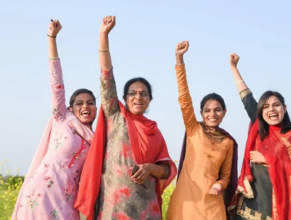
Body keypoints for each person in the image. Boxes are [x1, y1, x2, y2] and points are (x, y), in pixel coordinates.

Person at [74, 16, 177, 220]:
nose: (138, 96)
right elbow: (106, 77)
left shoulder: (154, 131)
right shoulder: (115, 116)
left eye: (143, 93)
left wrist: (150, 168)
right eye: (133, 93)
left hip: (147, 208)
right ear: (124, 98)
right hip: (114, 206)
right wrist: (103, 36)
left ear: (149, 100)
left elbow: (165, 170)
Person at [12, 20, 97, 220]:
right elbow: (56, 81)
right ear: (70, 108)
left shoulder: (97, 139)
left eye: (90, 103)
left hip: (68, 202)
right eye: (80, 103)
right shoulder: (62, 119)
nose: (85, 106)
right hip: (40, 194)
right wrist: (52, 38)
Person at [228, 53, 291, 220]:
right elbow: (246, 97)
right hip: (251, 199)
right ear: (261, 112)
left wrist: (267, 158)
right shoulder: (259, 126)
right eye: (266, 107)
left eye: (276, 105)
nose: (271, 110)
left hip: (278, 201)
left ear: (284, 108)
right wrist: (234, 67)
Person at [166, 41, 238, 220]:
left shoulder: (228, 142)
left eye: (217, 110)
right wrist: (179, 59)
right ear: (201, 113)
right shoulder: (193, 129)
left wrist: (220, 185)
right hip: (186, 203)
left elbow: (226, 176)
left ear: (224, 113)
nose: (212, 114)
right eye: (207, 110)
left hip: (212, 206)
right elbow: (184, 98)